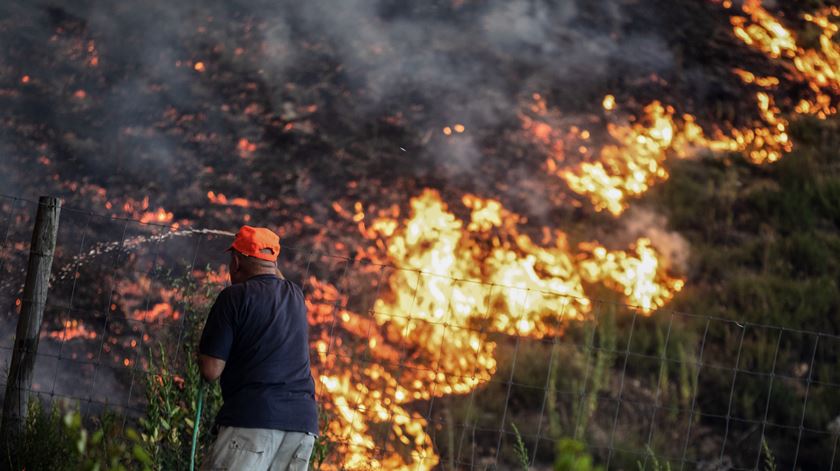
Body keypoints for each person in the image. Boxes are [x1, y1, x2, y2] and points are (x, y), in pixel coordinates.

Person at [198, 225, 318, 470]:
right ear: (273, 264)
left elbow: (211, 370)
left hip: (253, 421)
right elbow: (275, 279)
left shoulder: (233, 297)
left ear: (235, 263)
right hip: (302, 426)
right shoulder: (295, 295)